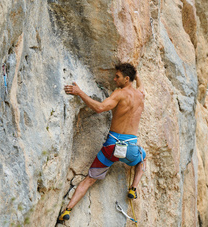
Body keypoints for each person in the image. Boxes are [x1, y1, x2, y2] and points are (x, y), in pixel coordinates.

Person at [58, 62, 146, 222]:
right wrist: (137, 76)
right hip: (131, 150)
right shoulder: (140, 96)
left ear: (127, 79)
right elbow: (141, 87)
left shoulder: (119, 94)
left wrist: (80, 92)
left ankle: (68, 209)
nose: (114, 79)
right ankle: (133, 188)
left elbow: (99, 108)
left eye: (117, 77)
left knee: (89, 179)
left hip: (111, 148)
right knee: (142, 159)